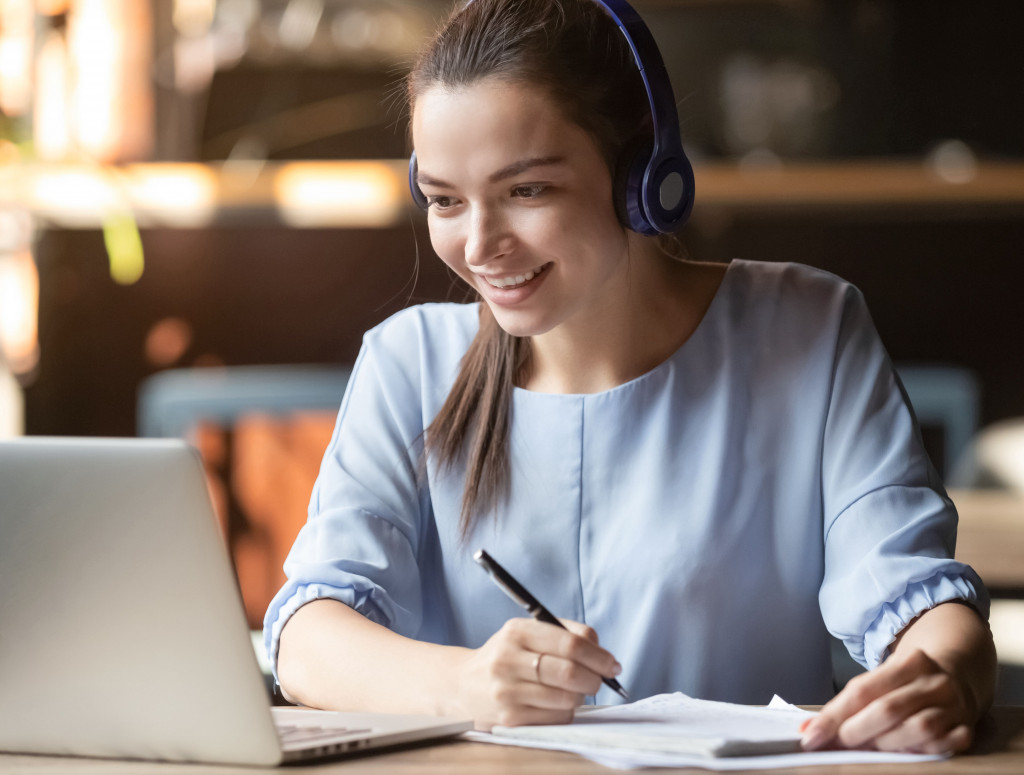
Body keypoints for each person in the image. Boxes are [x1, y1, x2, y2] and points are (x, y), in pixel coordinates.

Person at [264, 0, 996, 754]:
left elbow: (915, 596)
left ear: (641, 175)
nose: (479, 246)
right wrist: (468, 684)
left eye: (526, 191)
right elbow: (306, 638)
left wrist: (945, 675)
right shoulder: (408, 360)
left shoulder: (809, 329)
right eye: (446, 200)